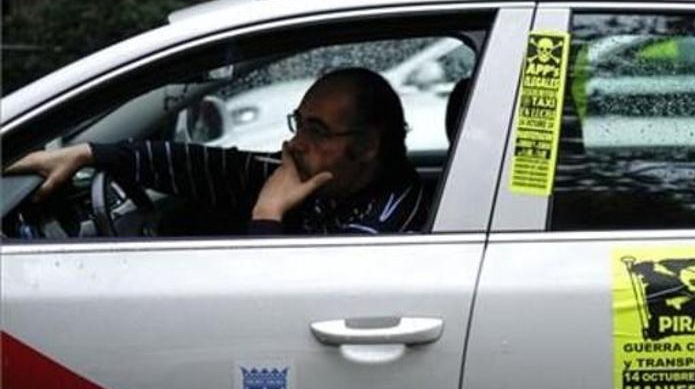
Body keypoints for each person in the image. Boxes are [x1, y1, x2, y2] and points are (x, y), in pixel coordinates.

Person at [4, 67, 427, 235]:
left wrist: (267, 215)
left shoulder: (385, 224)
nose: (295, 144)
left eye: (316, 131)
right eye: (299, 124)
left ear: (368, 145)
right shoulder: (330, 185)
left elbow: (280, 304)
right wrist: (90, 154)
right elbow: (211, 168)